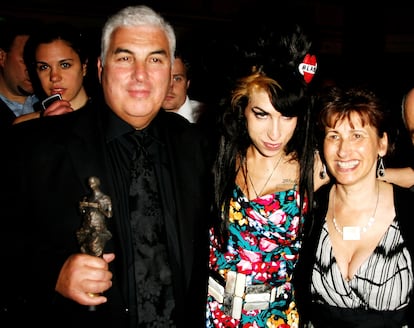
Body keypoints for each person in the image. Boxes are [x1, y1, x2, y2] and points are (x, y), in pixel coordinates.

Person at [0, 5, 212, 328]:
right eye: (125, 58)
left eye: (155, 59)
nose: (140, 74)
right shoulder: (35, 145)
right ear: (100, 68)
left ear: (171, 71)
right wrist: (52, 273)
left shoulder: (202, 147)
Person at [206, 23, 319, 327]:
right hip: (211, 312)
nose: (275, 132)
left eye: (287, 116)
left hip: (275, 317)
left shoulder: (314, 168)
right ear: (241, 107)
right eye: (261, 114)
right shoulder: (219, 157)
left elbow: (376, 176)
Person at [295, 86, 414, 327]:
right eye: (334, 136)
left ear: (382, 144)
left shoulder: (411, 211)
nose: (343, 150)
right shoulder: (308, 209)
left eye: (357, 135)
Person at [13, 22, 95, 124]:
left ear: (84, 66)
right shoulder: (25, 125)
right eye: (44, 67)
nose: (54, 77)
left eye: (65, 65)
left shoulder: (107, 118)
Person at [0, 18, 39, 129]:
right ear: (2, 57)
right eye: (26, 60)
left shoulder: (51, 101)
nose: (33, 68)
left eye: (38, 61)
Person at [161, 50, 206, 123]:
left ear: (187, 84)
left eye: (177, 79)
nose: (169, 87)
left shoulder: (206, 118)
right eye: (163, 78)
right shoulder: (141, 118)